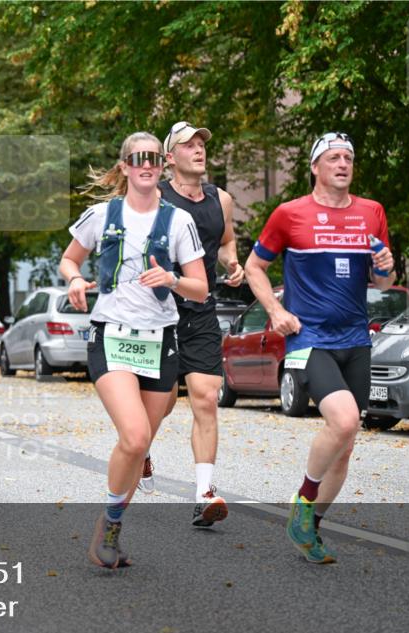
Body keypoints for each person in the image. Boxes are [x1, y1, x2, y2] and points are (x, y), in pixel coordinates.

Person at [245, 132, 395, 564]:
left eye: (348, 157)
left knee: (345, 445)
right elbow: (255, 267)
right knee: (344, 420)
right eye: (333, 157)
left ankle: (309, 527)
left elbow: (381, 281)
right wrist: (275, 310)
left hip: (355, 338)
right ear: (315, 167)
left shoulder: (372, 212)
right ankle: (304, 499)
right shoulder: (290, 214)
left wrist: (385, 269)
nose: (343, 164)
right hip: (309, 338)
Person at [59, 132, 207, 568]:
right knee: (136, 435)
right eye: (137, 159)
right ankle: (107, 524)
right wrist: (72, 280)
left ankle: (115, 522)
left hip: (160, 341)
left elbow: (200, 289)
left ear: (163, 165)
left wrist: (173, 280)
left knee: (139, 447)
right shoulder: (101, 215)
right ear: (124, 166)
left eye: (154, 159)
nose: (146, 165)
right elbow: (70, 259)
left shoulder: (179, 221)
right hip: (112, 336)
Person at [143, 121, 244, 527]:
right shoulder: (154, 197)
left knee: (205, 396)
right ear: (170, 158)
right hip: (158, 310)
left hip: (201, 309)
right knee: (162, 401)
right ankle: (140, 449)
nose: (199, 149)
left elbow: (226, 242)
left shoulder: (221, 200)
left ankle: (204, 492)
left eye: (203, 142)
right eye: (189, 144)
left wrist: (232, 264)